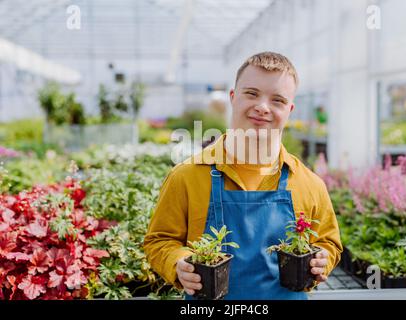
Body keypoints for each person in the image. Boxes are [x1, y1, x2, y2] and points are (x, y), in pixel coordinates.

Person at [144, 52, 342, 300]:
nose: (262, 107)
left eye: (278, 100)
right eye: (252, 93)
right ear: (233, 97)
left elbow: (328, 242)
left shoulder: (309, 183)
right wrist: (178, 263)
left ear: (290, 110)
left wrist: (322, 260)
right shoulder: (186, 176)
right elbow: (160, 240)